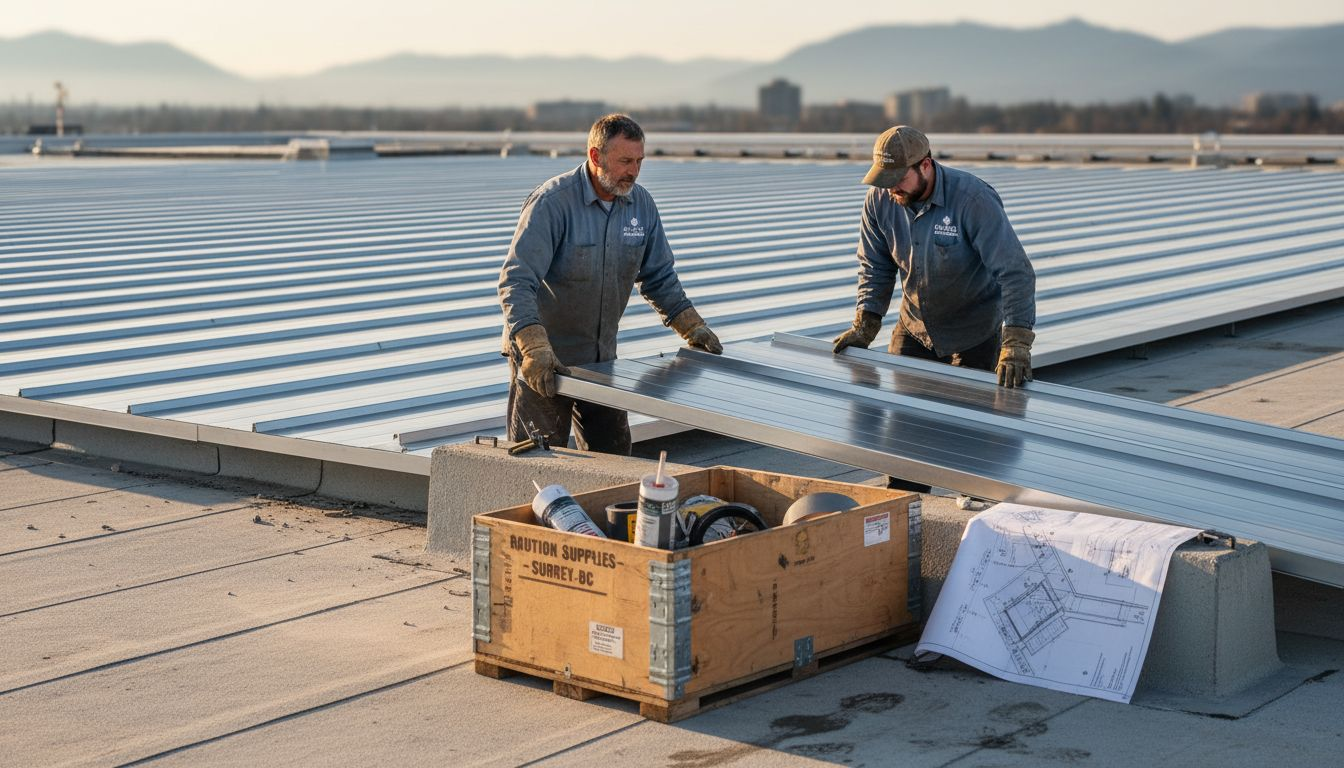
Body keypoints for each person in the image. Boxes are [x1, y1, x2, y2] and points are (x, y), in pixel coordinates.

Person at [498, 113, 721, 455]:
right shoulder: (553, 204)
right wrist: (532, 348)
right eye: (625, 161)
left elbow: (658, 276)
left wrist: (692, 327)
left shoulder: (641, 206)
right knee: (537, 463)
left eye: (639, 161)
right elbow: (516, 281)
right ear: (595, 156)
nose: (633, 171)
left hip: (601, 362)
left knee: (614, 461)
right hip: (545, 361)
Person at [832, 125, 1036, 492]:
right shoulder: (880, 200)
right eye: (884, 178)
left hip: (974, 332)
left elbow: (1015, 272)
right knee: (906, 441)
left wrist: (1017, 341)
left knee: (972, 440)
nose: (891, 187)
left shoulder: (972, 199)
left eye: (898, 178)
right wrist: (866, 322)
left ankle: (970, 515)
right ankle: (906, 515)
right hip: (915, 328)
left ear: (925, 165)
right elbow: (875, 267)